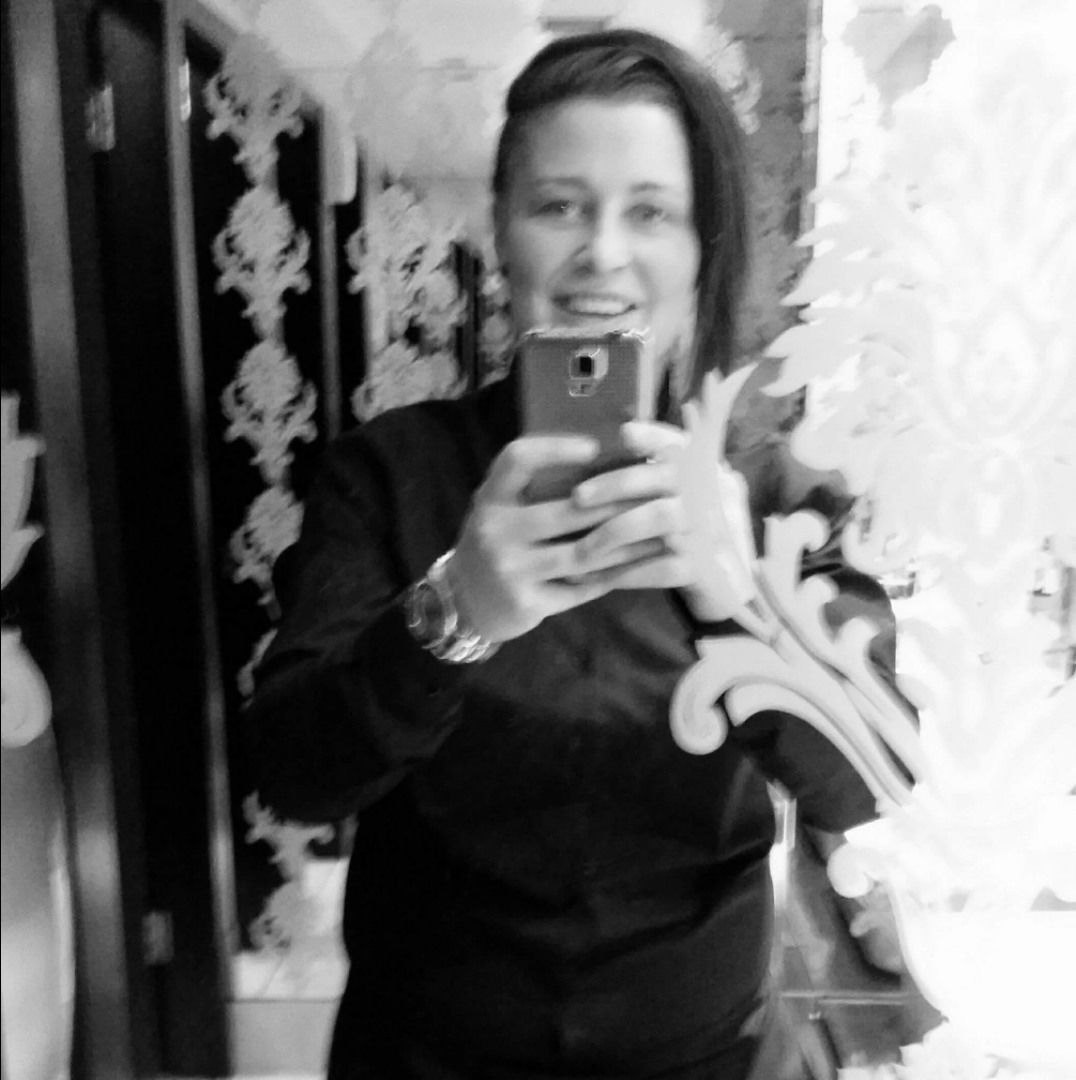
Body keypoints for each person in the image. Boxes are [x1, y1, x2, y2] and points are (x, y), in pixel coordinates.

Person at [247, 28, 896, 1079]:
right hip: (426, 1057)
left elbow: (864, 782)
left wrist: (739, 599)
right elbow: (295, 775)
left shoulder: (775, 492)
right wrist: (453, 612)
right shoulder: (389, 472)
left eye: (650, 212)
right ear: (501, 232)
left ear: (701, 247)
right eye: (559, 205)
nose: (601, 251)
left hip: (707, 1057)